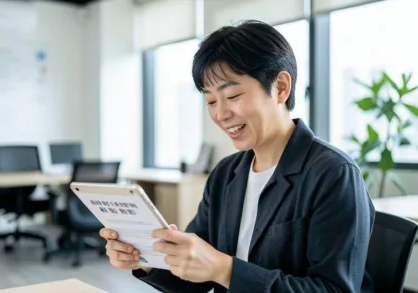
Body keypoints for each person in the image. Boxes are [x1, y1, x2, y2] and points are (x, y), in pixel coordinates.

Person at [99, 20, 375, 293]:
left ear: (280, 87)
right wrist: (147, 260)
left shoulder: (333, 173)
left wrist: (225, 270)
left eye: (232, 96)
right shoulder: (226, 174)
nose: (220, 114)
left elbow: (333, 289)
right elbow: (196, 276)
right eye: (210, 101)